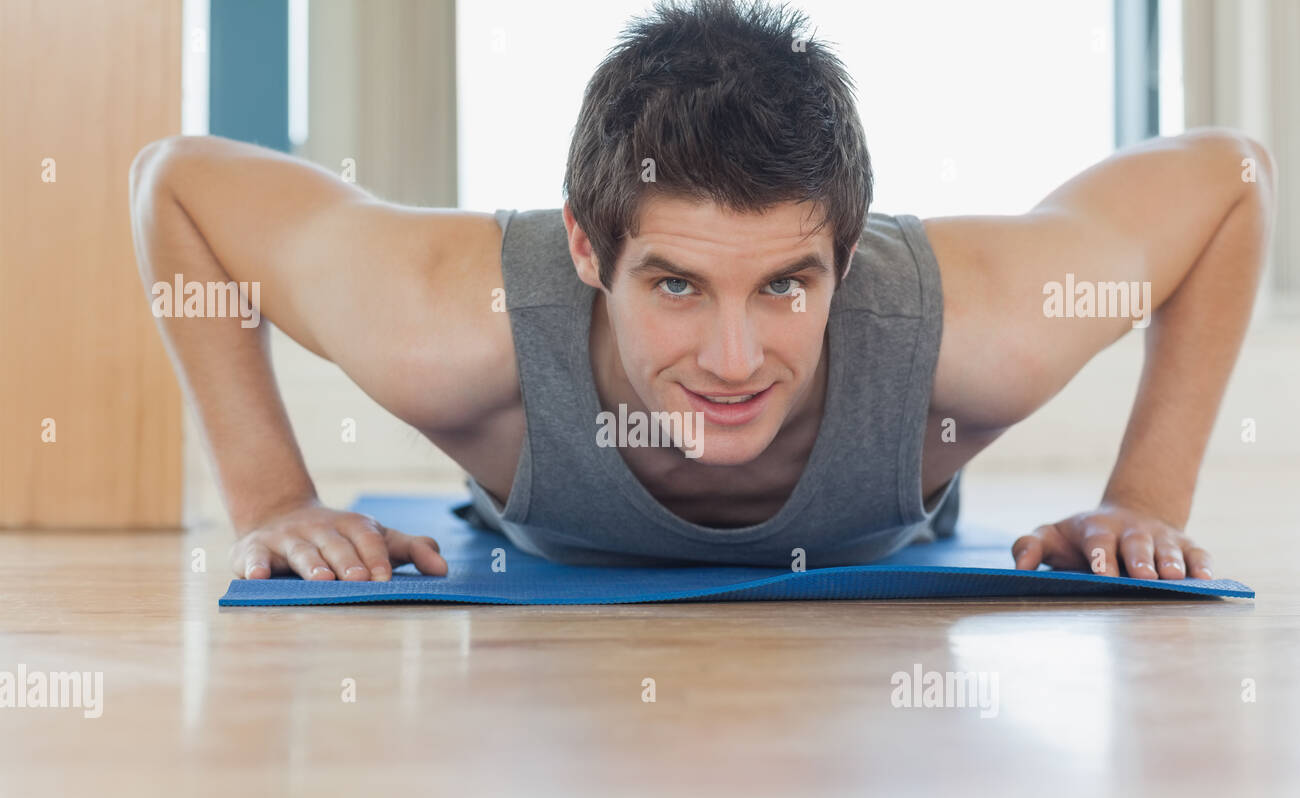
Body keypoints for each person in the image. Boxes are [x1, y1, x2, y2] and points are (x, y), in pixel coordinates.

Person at [128, 0, 1275, 582]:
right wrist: (273, 499)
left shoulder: (975, 331)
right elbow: (175, 183)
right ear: (587, 248)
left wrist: (1147, 497)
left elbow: (1232, 178)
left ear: (846, 247)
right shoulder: (441, 322)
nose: (734, 360)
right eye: (674, 282)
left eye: (786, 283)